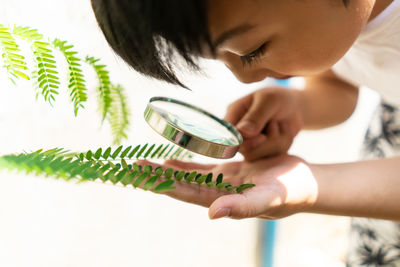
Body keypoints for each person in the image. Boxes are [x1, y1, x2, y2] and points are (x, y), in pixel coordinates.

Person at [91, 0, 400, 265]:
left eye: (253, 51)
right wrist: (298, 106)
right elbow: (340, 86)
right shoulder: (342, 23)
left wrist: (314, 184)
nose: (244, 79)